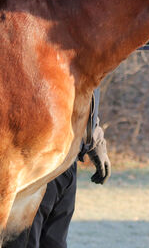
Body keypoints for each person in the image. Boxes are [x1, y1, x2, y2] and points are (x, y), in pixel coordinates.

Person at [6, 90, 111, 248]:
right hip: (39, 164)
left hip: (68, 162)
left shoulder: (86, 67)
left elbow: (84, 101)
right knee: (25, 242)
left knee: (55, 243)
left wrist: (96, 142)